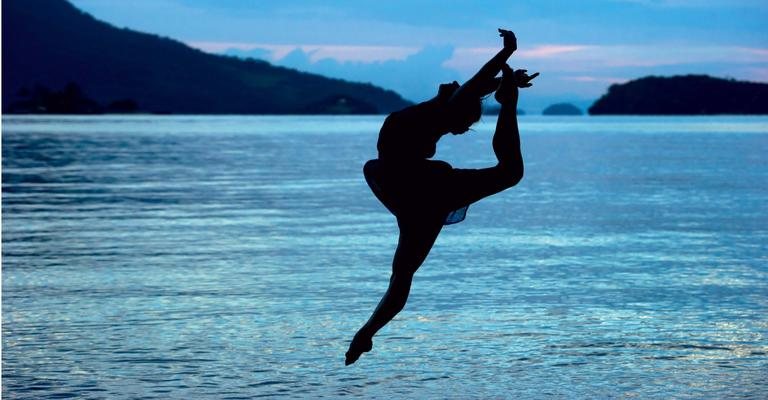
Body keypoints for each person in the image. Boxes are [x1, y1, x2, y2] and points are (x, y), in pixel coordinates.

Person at [345, 29, 539, 366]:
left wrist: (504, 82)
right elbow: (473, 87)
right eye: (461, 127)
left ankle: (367, 333)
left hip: (409, 197)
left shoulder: (415, 117)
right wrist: (506, 54)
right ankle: (367, 331)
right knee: (510, 172)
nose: (458, 131)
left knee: (402, 274)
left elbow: (473, 90)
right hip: (424, 188)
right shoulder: (433, 115)